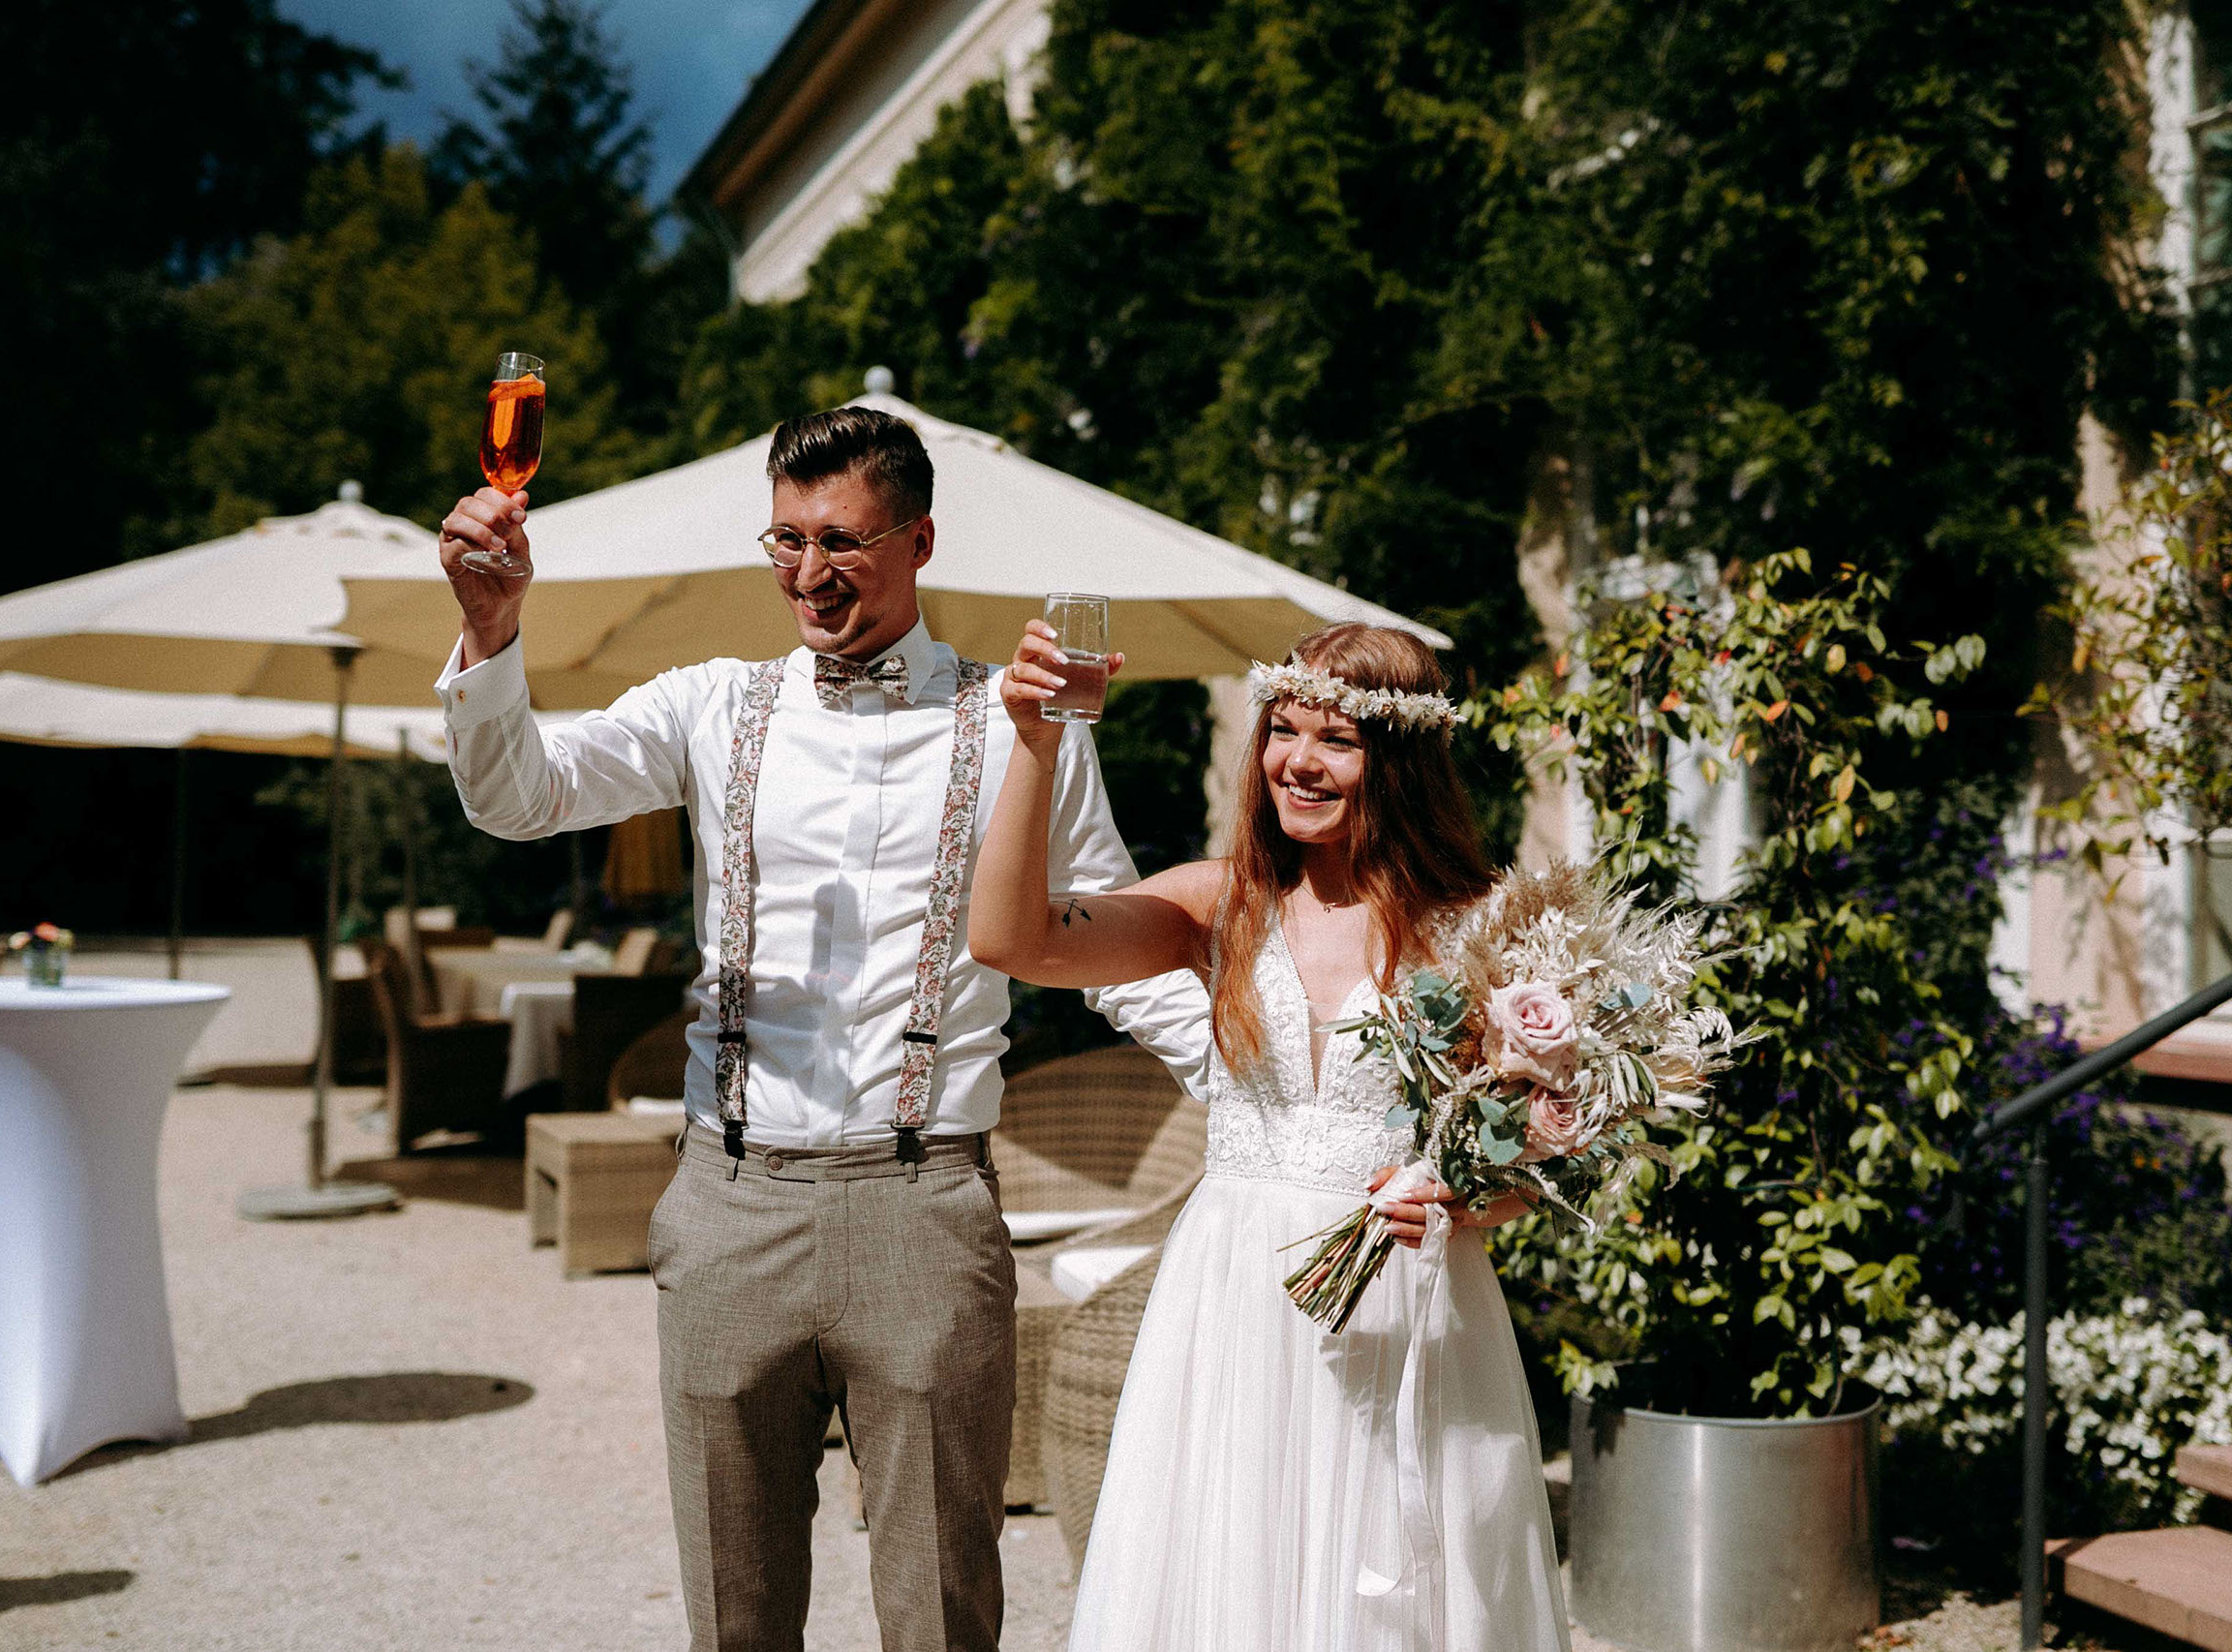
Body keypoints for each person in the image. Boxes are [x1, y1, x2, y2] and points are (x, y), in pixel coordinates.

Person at [432, 405, 1210, 1652]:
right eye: (785, 540)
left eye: (841, 542)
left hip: (926, 1209)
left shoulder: (1021, 721)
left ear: (919, 541)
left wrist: (1267, 1090)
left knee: (940, 1609)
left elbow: (1107, 945)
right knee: (734, 1611)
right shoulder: (710, 704)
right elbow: (521, 796)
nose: (807, 573)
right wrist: (490, 629)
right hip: (730, 1199)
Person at [969, 620, 1572, 1651]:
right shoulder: (1222, 903)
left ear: (1401, 757)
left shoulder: (1479, 926)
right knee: (1226, 1565)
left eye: (1335, 738)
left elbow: (1527, 1151)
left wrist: (1465, 1201)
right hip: (1233, 1288)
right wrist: (1034, 740)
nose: (1296, 759)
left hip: (1406, 1301)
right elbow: (1010, 939)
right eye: (1280, 729)